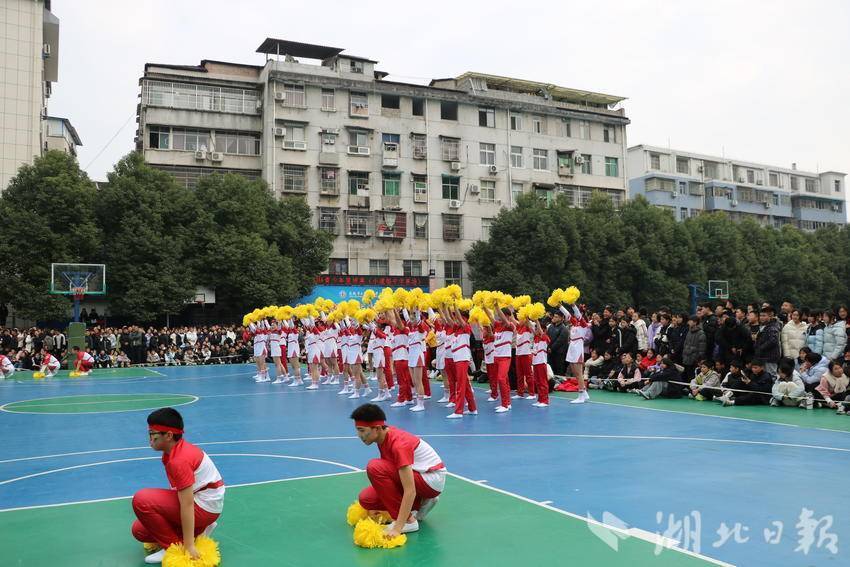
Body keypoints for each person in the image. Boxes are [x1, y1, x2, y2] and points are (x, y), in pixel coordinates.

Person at [131, 408, 224, 564]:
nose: (150, 439)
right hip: (202, 504)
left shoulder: (179, 460)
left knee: (142, 500)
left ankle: (174, 547)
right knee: (139, 531)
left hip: (203, 507)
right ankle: (200, 530)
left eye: (153, 434)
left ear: (168, 435)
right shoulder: (173, 452)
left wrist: (189, 546)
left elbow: (187, 504)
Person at [352, 403, 444, 537]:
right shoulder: (382, 437)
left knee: (375, 467)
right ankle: (422, 502)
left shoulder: (398, 445)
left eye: (362, 430)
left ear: (377, 428)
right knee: (367, 499)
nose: (359, 435)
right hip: (418, 477)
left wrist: (397, 528)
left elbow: (410, 490)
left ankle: (409, 521)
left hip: (431, 480)